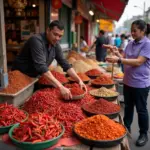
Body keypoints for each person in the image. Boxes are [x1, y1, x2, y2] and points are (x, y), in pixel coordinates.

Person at [12, 20, 87, 100]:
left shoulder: (55, 44)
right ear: (48, 30)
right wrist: (60, 86)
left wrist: (79, 80)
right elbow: (41, 66)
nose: (57, 38)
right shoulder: (36, 41)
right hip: (20, 77)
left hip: (34, 77)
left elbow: (64, 63)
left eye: (60, 36)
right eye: (55, 34)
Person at [104, 19, 150, 147]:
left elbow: (138, 62)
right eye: (131, 31)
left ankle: (143, 133)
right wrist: (115, 51)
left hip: (141, 84)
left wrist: (119, 59)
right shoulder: (130, 43)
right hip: (128, 82)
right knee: (128, 107)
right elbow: (125, 58)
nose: (132, 33)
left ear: (143, 30)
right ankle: (126, 128)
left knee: (141, 110)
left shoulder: (147, 44)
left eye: (135, 31)